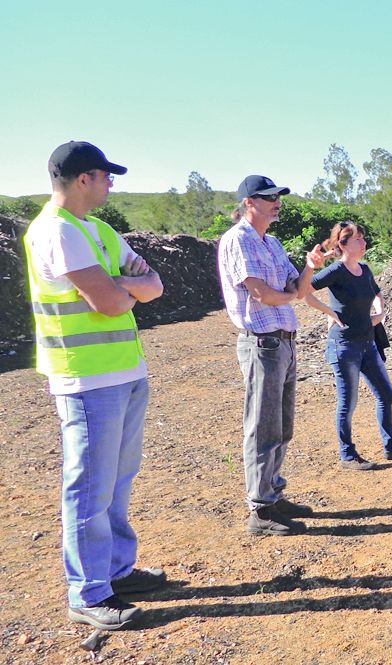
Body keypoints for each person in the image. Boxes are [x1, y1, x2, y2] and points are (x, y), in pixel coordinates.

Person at [24, 141, 165, 630]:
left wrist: (119, 286)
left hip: (126, 372)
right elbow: (110, 302)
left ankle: (116, 570)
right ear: (84, 178)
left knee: (117, 481)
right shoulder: (56, 230)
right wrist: (123, 288)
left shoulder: (99, 230)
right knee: (89, 487)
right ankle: (88, 592)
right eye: (106, 176)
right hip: (86, 379)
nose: (111, 184)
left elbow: (153, 286)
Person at [217, 175, 316, 536]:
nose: (277, 202)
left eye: (278, 197)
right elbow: (263, 294)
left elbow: (297, 288)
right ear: (249, 203)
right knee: (263, 427)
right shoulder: (238, 240)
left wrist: (311, 265)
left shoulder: (271, 242)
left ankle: (272, 494)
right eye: (269, 197)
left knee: (282, 426)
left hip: (283, 342)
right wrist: (289, 295)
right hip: (262, 343)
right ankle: (260, 509)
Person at [304, 221, 392, 470]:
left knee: (385, 394)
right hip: (344, 346)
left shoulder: (365, 269)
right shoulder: (336, 270)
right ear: (343, 244)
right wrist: (328, 312)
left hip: (368, 343)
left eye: (363, 237)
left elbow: (376, 293)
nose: (363, 242)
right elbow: (303, 291)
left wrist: (380, 312)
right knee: (347, 403)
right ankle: (347, 455)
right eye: (358, 239)